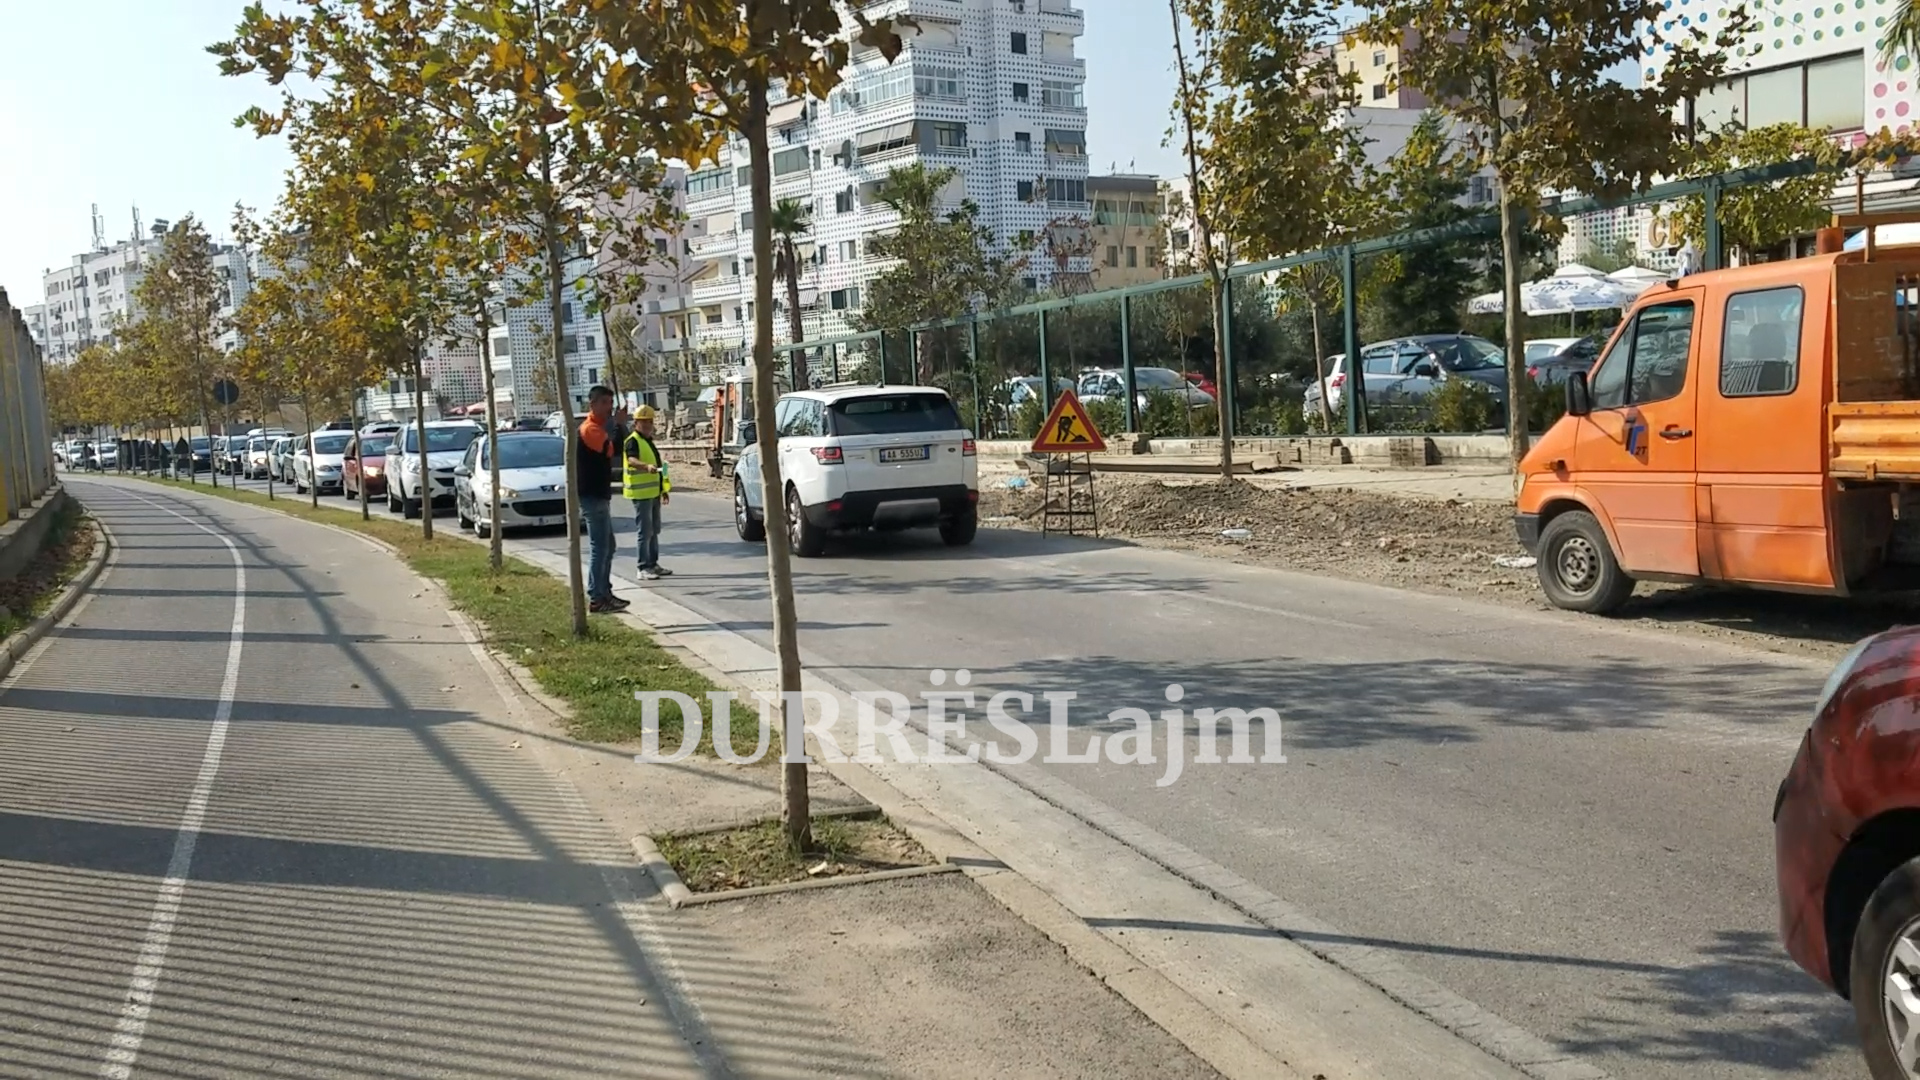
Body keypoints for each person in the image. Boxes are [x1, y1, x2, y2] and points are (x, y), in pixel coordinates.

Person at [576, 385, 628, 614]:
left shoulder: (598, 427)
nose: (608, 408)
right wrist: (618, 424)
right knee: (600, 547)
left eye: (610, 403)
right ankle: (596, 597)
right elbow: (613, 449)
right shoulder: (590, 429)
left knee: (608, 546)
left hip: (599, 494)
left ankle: (604, 591)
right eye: (604, 403)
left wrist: (617, 424)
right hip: (592, 495)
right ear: (593, 404)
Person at [622, 404, 672, 581]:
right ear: (636, 423)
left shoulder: (648, 441)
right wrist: (646, 467)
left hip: (653, 493)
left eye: (650, 422)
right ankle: (643, 567)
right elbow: (632, 460)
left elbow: (659, 468)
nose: (648, 425)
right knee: (645, 532)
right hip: (640, 495)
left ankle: (653, 564)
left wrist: (663, 490)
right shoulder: (632, 441)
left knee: (654, 530)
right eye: (644, 422)